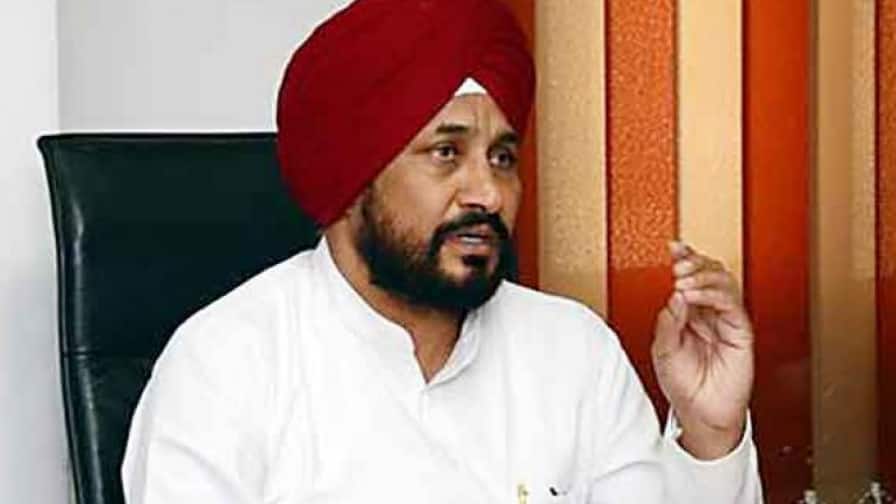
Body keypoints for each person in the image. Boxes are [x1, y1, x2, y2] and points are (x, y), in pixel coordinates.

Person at [121, 0, 763, 502]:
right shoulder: (226, 366)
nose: (487, 192)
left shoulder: (573, 351)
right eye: (446, 153)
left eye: (502, 158)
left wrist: (710, 433)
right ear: (353, 179)